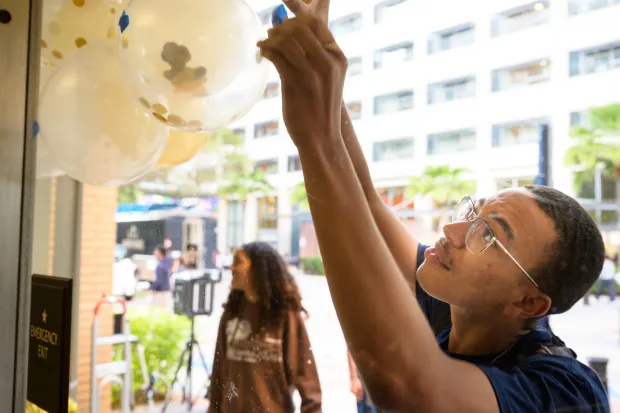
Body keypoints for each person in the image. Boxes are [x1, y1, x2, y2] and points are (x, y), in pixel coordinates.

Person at [258, 3, 609, 412]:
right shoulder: (461, 309)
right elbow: (368, 203)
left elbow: (407, 384)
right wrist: (319, 53)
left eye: (489, 235)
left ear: (528, 304)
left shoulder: (565, 391)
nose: (452, 232)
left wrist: (317, 142)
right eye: (472, 214)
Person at [208, 242, 321, 413]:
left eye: (238, 262)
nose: (231, 267)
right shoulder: (231, 312)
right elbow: (219, 372)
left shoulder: (285, 315)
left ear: (258, 269)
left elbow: (307, 378)